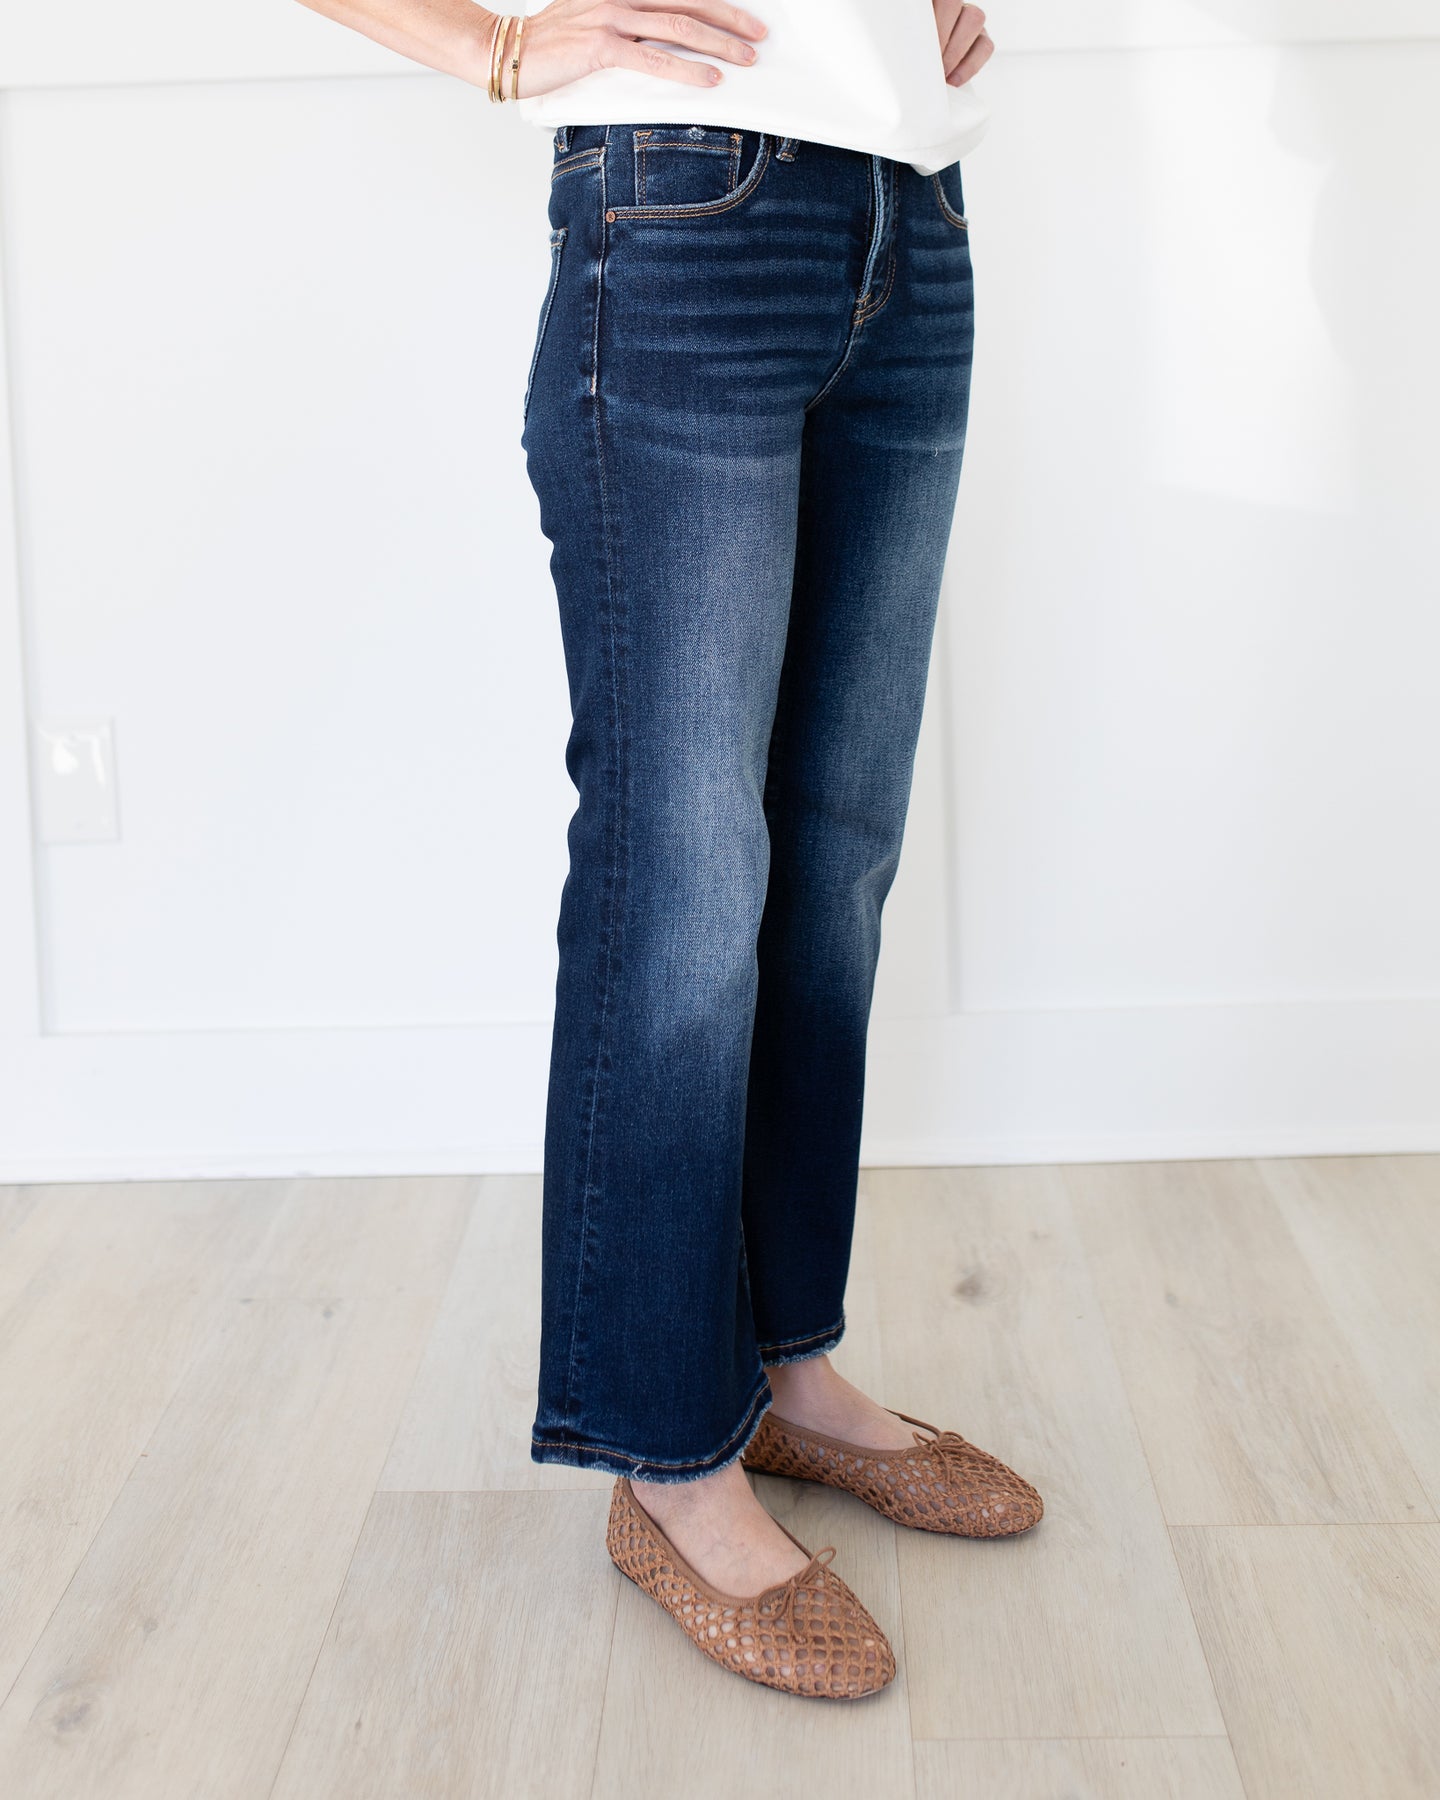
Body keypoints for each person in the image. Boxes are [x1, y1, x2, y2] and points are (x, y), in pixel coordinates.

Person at [297, 0, 1044, 1700]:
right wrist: (494, 48)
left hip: (913, 212)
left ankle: (787, 1372)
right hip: (689, 207)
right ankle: (664, 1457)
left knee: (833, 861)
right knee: (684, 879)